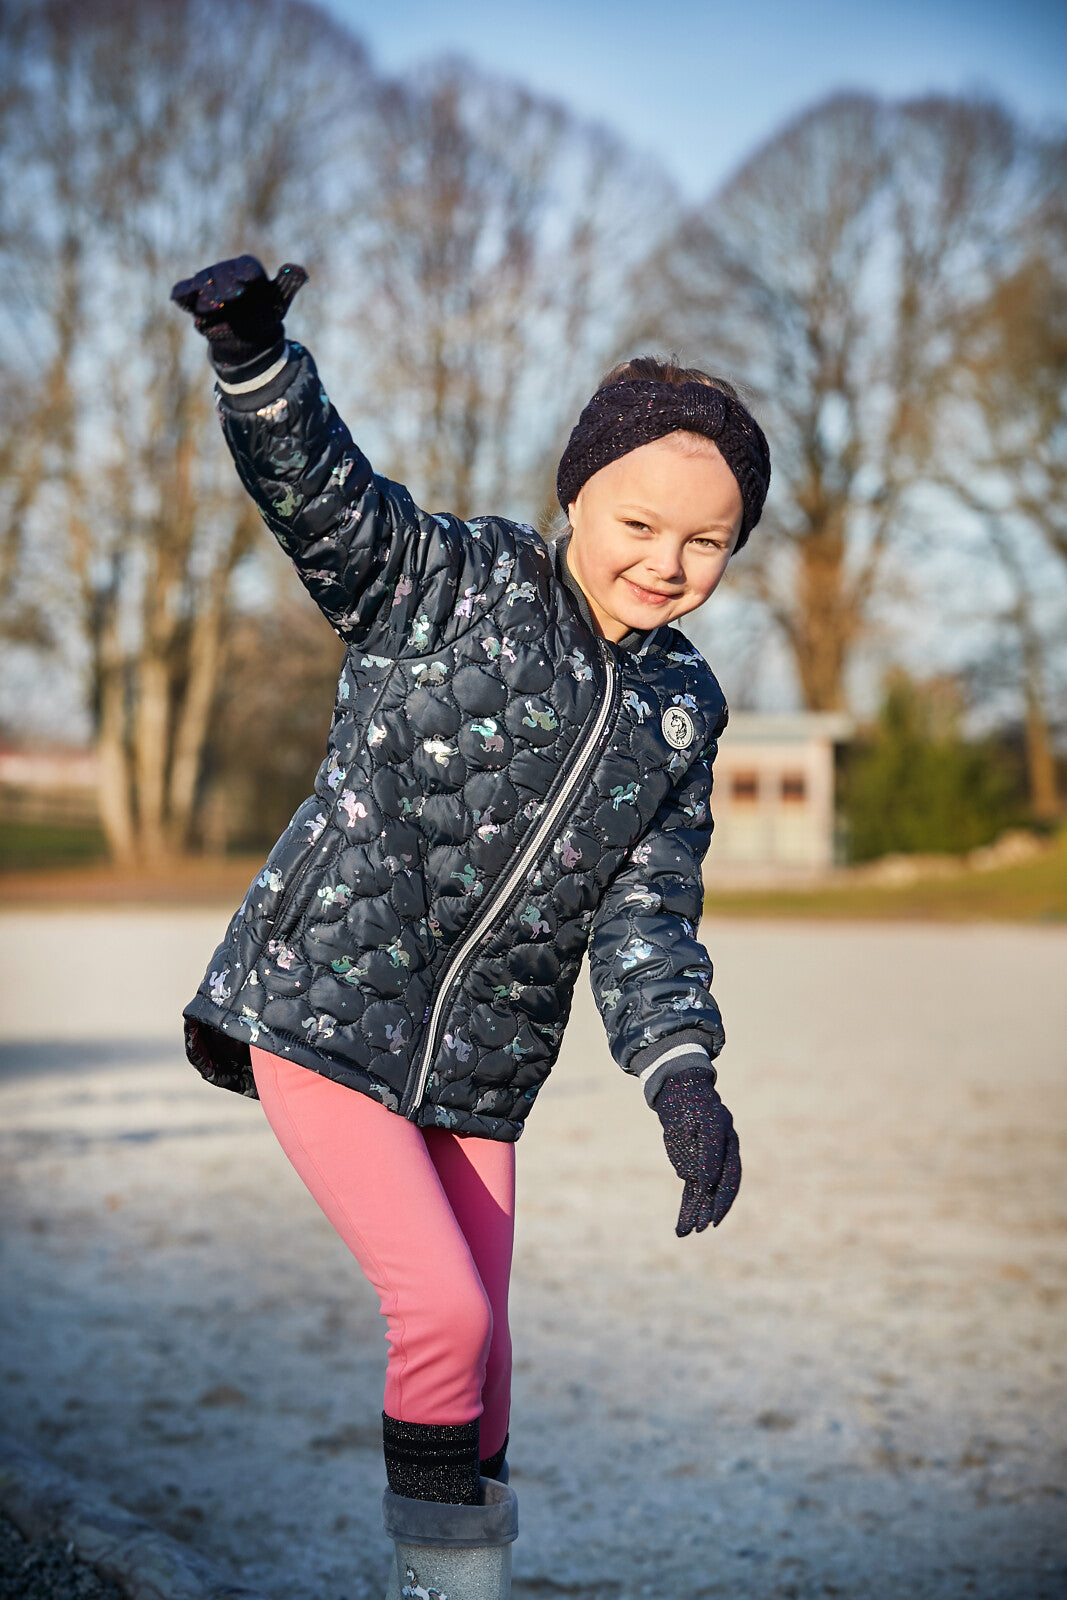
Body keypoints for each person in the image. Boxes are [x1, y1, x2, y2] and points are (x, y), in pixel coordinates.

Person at [171, 256, 770, 1600]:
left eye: (709, 542)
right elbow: (327, 506)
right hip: (322, 1011)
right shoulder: (456, 582)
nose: (668, 562)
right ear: (577, 497)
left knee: (488, 1360)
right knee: (435, 1314)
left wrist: (684, 1078)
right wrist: (259, 361)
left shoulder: (684, 711)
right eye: (639, 523)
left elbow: (648, 915)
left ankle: (448, 1580)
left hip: (481, 1076)